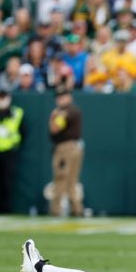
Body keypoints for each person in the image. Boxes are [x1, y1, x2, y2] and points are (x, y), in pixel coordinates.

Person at [48, 87, 84, 217]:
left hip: (65, 148)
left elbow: (55, 129)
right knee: (72, 180)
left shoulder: (63, 112)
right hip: (76, 146)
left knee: (61, 178)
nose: (60, 99)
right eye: (58, 97)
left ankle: (56, 209)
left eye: (63, 96)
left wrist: (53, 117)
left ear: (69, 97)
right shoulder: (75, 110)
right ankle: (77, 209)